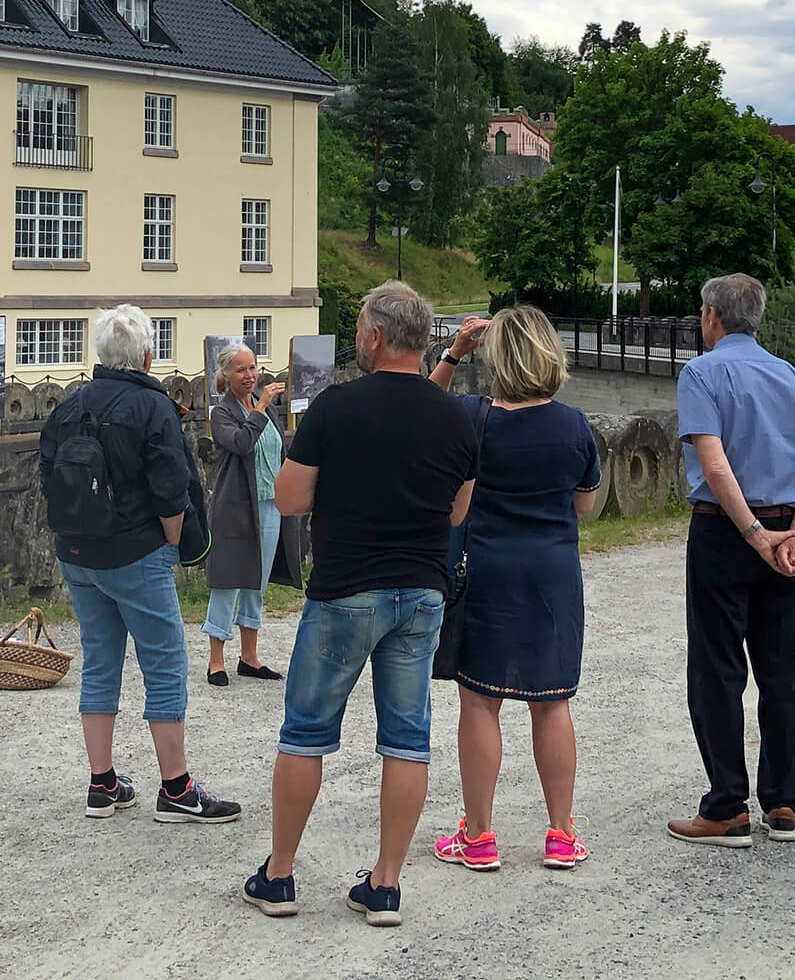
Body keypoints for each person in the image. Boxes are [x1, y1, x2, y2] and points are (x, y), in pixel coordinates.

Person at [243, 281, 477, 927]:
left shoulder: (335, 408)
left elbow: (288, 498)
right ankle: (386, 886)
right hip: (422, 592)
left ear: (374, 336)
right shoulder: (455, 417)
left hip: (346, 590)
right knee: (406, 739)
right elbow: (458, 507)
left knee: (306, 734)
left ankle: (281, 875)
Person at [39, 304, 240, 825]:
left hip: (78, 554)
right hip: (136, 551)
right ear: (147, 355)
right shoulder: (153, 409)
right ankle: (176, 789)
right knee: (165, 665)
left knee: (101, 663)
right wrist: (171, 548)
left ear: (100, 354)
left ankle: (101, 783)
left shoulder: (67, 407)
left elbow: (47, 477)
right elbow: (173, 491)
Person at [423, 306, 602, 873]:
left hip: (488, 571)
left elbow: (422, 410)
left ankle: (478, 836)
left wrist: (454, 353)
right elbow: (585, 503)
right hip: (551, 575)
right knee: (553, 703)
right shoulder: (573, 424)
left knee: (480, 701)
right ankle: (560, 833)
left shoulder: (474, 417)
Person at [665, 274, 795, 850]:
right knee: (779, 670)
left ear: (711, 316)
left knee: (717, 669)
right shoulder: (791, 376)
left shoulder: (702, 373)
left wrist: (754, 533)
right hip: (789, 530)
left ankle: (726, 805)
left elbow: (714, 467)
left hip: (726, 531)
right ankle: (783, 801)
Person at [204, 342, 298, 687]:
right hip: (236, 508)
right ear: (226, 375)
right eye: (241, 370)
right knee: (229, 579)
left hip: (270, 504)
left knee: (256, 581)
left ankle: (249, 656)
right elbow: (241, 443)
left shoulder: (266, 410)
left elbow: (276, 452)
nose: (249, 376)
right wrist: (258, 408)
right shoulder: (222, 413)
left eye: (253, 368)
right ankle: (216, 659)